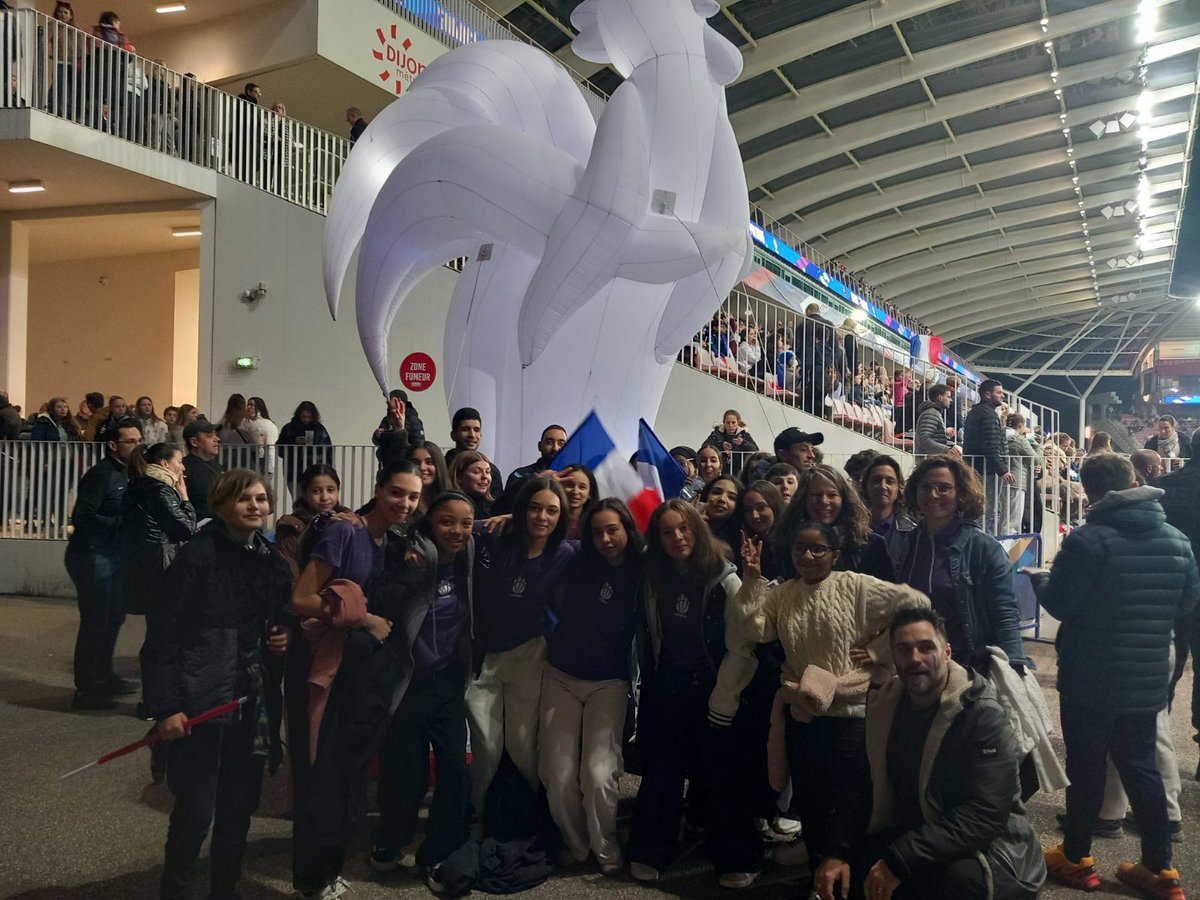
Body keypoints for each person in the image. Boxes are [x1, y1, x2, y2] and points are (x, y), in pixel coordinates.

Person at [1033, 453, 1198, 898]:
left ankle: (1076, 858)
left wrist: (1039, 583)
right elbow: (1186, 605)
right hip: (1147, 676)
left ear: (1090, 492)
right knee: (1141, 765)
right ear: (1135, 480)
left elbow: (1062, 604)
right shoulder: (1177, 540)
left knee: (1086, 767)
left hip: (1090, 676)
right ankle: (1161, 870)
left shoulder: (1087, 541)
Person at [813, 607, 1046, 900]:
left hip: (991, 846)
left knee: (954, 883)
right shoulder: (886, 705)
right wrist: (838, 850)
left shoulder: (981, 712)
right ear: (894, 658)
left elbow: (986, 813)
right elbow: (862, 781)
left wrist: (899, 859)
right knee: (844, 875)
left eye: (926, 647)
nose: (915, 659)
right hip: (917, 830)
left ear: (947, 652)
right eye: (903, 649)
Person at [738, 522, 929, 866]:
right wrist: (752, 580)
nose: (808, 556)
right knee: (811, 803)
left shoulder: (854, 586)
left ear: (835, 555)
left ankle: (846, 878)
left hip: (851, 717)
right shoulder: (783, 594)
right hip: (804, 714)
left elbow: (915, 603)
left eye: (818, 550)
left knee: (849, 806)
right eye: (800, 549)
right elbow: (756, 630)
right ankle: (816, 874)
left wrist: (879, 653)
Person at [141, 468, 292, 900]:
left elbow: (285, 615)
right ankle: (178, 891)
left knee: (238, 808)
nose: (254, 507)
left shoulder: (269, 560)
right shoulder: (197, 556)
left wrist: (286, 634)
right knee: (195, 808)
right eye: (245, 499)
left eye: (261, 499)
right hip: (201, 700)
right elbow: (163, 635)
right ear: (223, 504)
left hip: (251, 699)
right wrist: (166, 706)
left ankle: (225, 889)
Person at [288, 461, 423, 899]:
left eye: (413, 497)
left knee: (346, 773)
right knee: (322, 773)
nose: (405, 503)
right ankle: (311, 878)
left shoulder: (389, 542)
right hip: (325, 666)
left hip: (355, 672)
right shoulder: (345, 531)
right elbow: (301, 598)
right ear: (379, 489)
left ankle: (327, 870)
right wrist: (362, 618)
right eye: (397, 493)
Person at [627, 500, 761, 888]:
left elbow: (741, 646)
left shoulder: (724, 578)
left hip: (713, 687)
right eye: (666, 532)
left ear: (698, 529)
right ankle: (650, 849)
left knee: (721, 774)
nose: (677, 537)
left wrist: (726, 698)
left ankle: (737, 855)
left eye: (683, 529)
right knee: (661, 772)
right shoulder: (652, 575)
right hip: (665, 686)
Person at [368, 491, 476, 889]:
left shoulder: (470, 554)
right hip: (407, 683)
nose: (458, 531)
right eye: (448, 521)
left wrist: (497, 521)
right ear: (430, 521)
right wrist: (411, 574)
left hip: (449, 684)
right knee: (403, 771)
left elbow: (491, 528)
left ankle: (440, 850)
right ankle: (391, 839)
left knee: (454, 770)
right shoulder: (406, 556)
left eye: (466, 523)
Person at [539, 499, 644, 875]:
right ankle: (577, 843)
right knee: (557, 774)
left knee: (599, 775)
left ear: (627, 530)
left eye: (612, 529)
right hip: (562, 675)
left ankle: (605, 846)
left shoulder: (643, 568)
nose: (605, 538)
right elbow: (536, 537)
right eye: (597, 531)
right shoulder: (575, 558)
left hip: (609, 682)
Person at [466, 476, 577, 822]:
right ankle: (477, 818)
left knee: (523, 744)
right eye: (534, 508)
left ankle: (528, 819)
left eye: (551, 511)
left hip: (530, 654)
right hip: (485, 657)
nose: (542, 517)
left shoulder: (565, 553)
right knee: (485, 744)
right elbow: (455, 521)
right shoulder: (497, 538)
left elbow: (618, 541)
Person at [885, 455, 1029, 673]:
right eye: (926, 487)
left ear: (960, 494)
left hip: (968, 669)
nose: (933, 494)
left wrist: (1015, 666)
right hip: (915, 668)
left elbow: (1005, 614)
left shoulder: (983, 547)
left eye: (944, 488)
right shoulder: (906, 544)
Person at [120, 442, 195, 782]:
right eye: (180, 463)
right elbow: (186, 528)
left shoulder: (137, 486)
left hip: (144, 571)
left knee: (157, 638)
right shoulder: (160, 489)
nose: (183, 469)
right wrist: (185, 495)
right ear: (166, 462)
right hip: (162, 571)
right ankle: (157, 704)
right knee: (164, 640)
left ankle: (153, 702)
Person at [64, 417, 143, 710]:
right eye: (131, 441)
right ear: (112, 445)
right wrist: (122, 523)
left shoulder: (125, 473)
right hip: (92, 554)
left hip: (111, 553)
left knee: (112, 617)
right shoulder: (102, 475)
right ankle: (86, 690)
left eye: (139, 440)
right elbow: (83, 516)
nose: (138, 446)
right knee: (96, 621)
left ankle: (102, 676)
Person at [777, 465, 895, 581]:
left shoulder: (871, 545)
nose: (824, 501)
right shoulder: (787, 541)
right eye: (816, 495)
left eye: (832, 495)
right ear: (804, 499)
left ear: (844, 499)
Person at [272, 464, 350, 577]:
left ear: (338, 491)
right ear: (304, 493)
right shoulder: (291, 527)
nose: (324, 497)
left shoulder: (348, 520)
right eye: (316, 491)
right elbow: (290, 573)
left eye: (330, 490)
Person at [495, 424, 567, 514]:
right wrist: (538, 478)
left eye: (561, 444)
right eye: (549, 442)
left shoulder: (570, 478)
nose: (555, 448)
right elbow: (503, 506)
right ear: (540, 446)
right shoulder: (519, 474)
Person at [277, 401, 333, 488]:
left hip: (315, 472)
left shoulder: (319, 429)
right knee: (298, 498)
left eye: (309, 417)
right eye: (304, 417)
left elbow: (328, 450)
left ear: (313, 417)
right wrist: (294, 442)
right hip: (294, 471)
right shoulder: (289, 428)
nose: (306, 420)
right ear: (299, 415)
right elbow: (280, 449)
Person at [444, 407, 503, 489]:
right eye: (465, 429)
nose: (472, 435)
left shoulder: (492, 472)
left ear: (481, 435)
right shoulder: (441, 467)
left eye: (476, 430)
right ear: (453, 435)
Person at [1003, 414, 1040, 536]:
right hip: (1017, 482)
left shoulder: (1000, 436)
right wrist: (1035, 443)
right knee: (1013, 521)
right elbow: (1036, 459)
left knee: (1001, 518)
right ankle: (1008, 550)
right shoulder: (1020, 440)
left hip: (1000, 480)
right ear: (1020, 425)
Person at [182, 419, 224, 524]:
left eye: (216, 435)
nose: (217, 439)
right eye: (209, 435)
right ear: (194, 442)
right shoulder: (184, 469)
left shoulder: (216, 465)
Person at [702, 410, 759, 476]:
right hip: (720, 471)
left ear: (738, 423)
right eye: (728, 423)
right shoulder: (716, 434)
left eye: (733, 422)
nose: (730, 425)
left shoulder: (744, 435)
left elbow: (755, 450)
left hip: (739, 471)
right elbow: (705, 446)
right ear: (724, 423)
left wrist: (743, 443)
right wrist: (721, 446)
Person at [861, 455, 906, 536]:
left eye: (890, 481)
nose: (882, 486)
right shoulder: (852, 528)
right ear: (866, 486)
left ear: (899, 487)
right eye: (876, 480)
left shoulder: (911, 532)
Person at [405, 441, 454, 514]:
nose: (422, 467)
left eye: (429, 462)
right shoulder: (402, 502)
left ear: (439, 465)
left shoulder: (453, 501)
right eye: (415, 462)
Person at [449, 449, 495, 518]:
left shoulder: (494, 507)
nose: (485, 476)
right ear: (459, 477)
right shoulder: (450, 506)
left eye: (487, 472)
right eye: (477, 472)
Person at [215, 394, 256, 470]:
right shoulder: (247, 422)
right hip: (244, 458)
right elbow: (254, 443)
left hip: (225, 457)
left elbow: (217, 439)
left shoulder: (221, 423)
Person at [914, 384, 956, 456]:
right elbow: (924, 439)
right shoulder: (931, 413)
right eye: (948, 397)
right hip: (928, 460)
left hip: (931, 458)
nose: (951, 400)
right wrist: (947, 450)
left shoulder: (934, 412)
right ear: (940, 397)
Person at [559, 464, 596, 540]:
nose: (575, 492)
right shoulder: (550, 518)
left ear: (590, 493)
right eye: (570, 485)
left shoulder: (595, 522)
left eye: (582, 487)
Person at [246, 397, 278, 476]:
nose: (248, 407)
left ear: (258, 408)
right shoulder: (248, 423)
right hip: (252, 459)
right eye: (248, 405)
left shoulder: (267, 424)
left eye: (251, 405)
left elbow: (270, 446)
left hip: (261, 460)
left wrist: (269, 469)